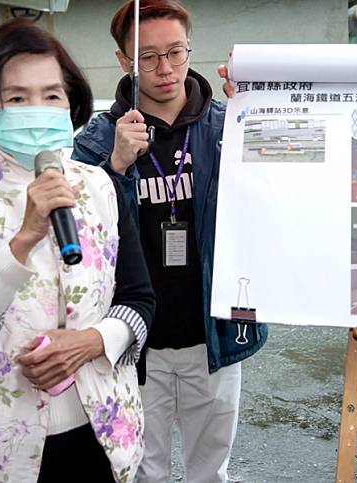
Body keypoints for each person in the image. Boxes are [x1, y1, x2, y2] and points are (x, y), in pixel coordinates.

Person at [0, 19, 155, 483]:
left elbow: (140, 299)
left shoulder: (100, 185)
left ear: (70, 105)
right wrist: (23, 239)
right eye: (18, 98)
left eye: (51, 95)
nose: (38, 108)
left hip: (98, 434)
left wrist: (92, 342)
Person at [71, 2, 267, 482]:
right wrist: (114, 167)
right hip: (135, 344)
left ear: (189, 50)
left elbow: (273, 199)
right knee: (140, 471)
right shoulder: (97, 139)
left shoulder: (226, 126)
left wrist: (259, 118)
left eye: (176, 53)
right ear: (124, 62)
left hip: (215, 335)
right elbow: (77, 228)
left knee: (210, 471)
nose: (165, 70)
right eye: (148, 57)